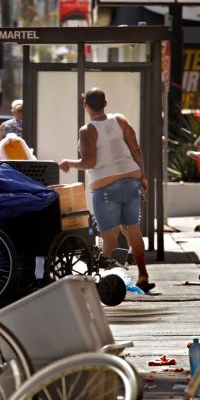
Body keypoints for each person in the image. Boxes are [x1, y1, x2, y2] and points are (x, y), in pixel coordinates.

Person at [59, 88, 153, 292]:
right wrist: (143, 176)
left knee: (109, 237)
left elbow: (89, 162)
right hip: (131, 179)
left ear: (85, 105)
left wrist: (69, 163)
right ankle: (143, 275)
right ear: (106, 103)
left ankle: (102, 284)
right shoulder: (120, 120)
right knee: (133, 229)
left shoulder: (87, 130)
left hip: (106, 186)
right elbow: (136, 149)